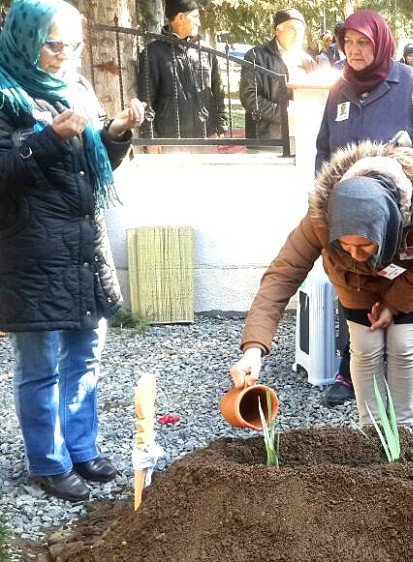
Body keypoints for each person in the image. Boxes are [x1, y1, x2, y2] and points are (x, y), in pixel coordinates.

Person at [0, 0, 144, 501]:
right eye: (53, 43)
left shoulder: (77, 87)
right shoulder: (5, 93)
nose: (65, 54)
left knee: (86, 356)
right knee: (40, 364)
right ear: (24, 37)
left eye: (73, 45)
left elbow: (94, 161)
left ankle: (81, 448)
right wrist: (47, 140)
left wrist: (117, 134)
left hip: (83, 243)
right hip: (32, 250)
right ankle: (48, 460)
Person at [231, 143, 413, 429]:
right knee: (365, 346)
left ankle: (402, 431)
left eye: (364, 244)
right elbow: (281, 277)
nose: (355, 254)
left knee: (403, 345)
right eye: (344, 245)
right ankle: (372, 431)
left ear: (390, 224)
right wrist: (253, 349)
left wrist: (393, 305)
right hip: (353, 282)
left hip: (408, 280)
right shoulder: (319, 220)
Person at [314, 10, 413, 407]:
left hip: (404, 216)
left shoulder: (412, 82)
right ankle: (351, 369)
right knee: (354, 281)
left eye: (364, 43)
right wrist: (326, 204)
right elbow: (323, 151)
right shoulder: (338, 90)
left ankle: (405, 362)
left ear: (381, 45)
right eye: (348, 42)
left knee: (404, 286)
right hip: (354, 220)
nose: (354, 51)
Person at [137, 0, 227, 139]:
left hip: (207, 135)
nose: (199, 23)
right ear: (180, 17)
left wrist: (221, 125)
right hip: (171, 139)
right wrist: (151, 137)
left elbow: (218, 90)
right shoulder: (153, 53)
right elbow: (146, 98)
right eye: (195, 17)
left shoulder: (206, 51)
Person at [239, 9, 316, 141]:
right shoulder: (257, 56)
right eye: (292, 29)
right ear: (277, 30)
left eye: (301, 30)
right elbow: (249, 97)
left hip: (302, 135)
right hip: (267, 136)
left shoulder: (307, 60)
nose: (297, 35)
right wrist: (283, 113)